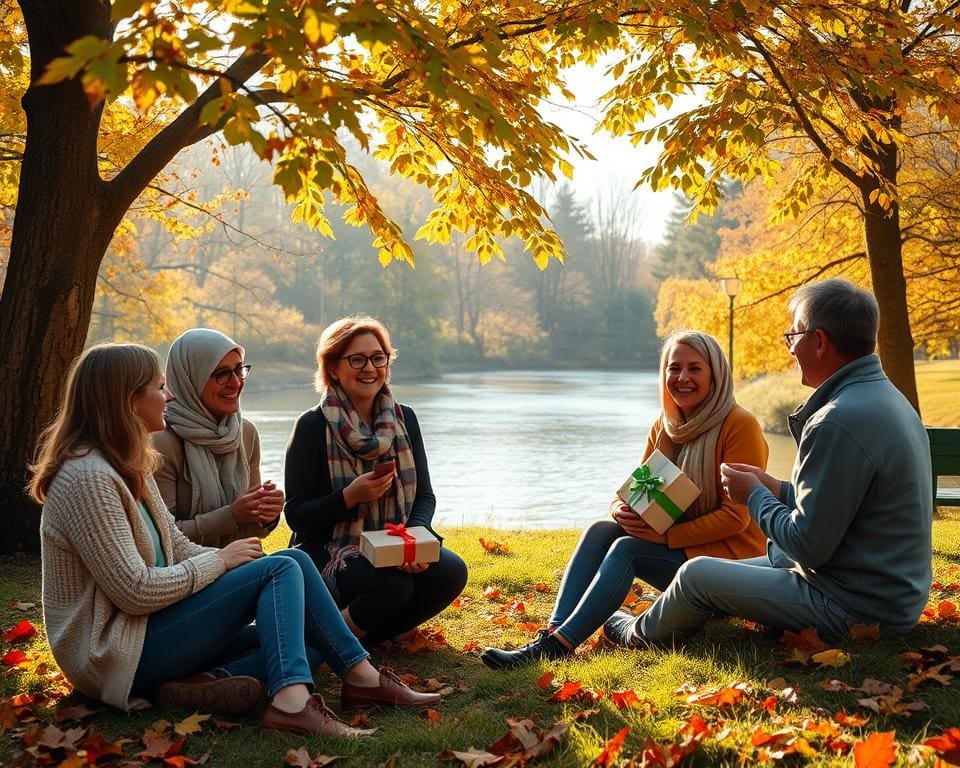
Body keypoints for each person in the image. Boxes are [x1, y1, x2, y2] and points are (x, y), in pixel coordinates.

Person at [33, 343, 440, 737]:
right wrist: (221, 561)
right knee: (283, 566)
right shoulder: (88, 478)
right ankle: (297, 704)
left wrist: (237, 560)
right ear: (128, 400)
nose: (169, 395)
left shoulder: (126, 463)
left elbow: (175, 546)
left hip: (153, 628)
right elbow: (135, 591)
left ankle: (210, 683)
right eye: (159, 387)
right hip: (112, 655)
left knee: (301, 610)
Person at [602, 279, 933, 648]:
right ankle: (676, 612)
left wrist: (755, 495)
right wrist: (778, 489)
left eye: (793, 336)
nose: (790, 349)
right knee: (712, 576)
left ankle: (637, 635)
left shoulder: (837, 420)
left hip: (854, 604)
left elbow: (807, 547)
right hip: (884, 590)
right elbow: (845, 502)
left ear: (819, 342)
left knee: (696, 574)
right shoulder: (888, 399)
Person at [482, 330, 769, 669]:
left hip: (731, 569)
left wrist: (665, 537)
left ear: (716, 374)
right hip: (688, 555)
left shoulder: (740, 425)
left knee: (627, 550)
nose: (682, 378)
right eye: (674, 368)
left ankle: (560, 646)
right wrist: (620, 508)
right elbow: (640, 492)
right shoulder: (665, 427)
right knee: (602, 531)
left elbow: (737, 518)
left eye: (695, 368)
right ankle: (554, 633)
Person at [285, 316, 468, 644]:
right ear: (333, 368)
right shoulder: (311, 426)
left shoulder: (404, 418)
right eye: (357, 359)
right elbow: (297, 515)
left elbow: (425, 496)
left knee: (450, 570)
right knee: (391, 585)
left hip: (392, 540)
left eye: (378, 357)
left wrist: (412, 543)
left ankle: (363, 636)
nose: (369, 368)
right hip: (330, 549)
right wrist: (348, 498)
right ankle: (332, 643)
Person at [153, 328, 282, 547]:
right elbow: (162, 538)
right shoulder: (161, 442)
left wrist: (266, 515)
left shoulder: (246, 433)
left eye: (239, 370)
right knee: (290, 564)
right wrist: (231, 516)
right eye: (221, 374)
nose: (235, 383)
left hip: (241, 563)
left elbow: (252, 531)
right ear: (191, 379)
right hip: (188, 572)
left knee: (295, 560)